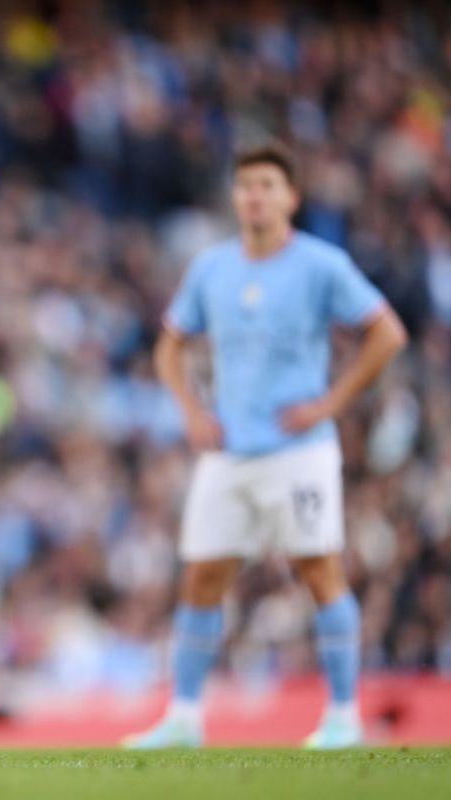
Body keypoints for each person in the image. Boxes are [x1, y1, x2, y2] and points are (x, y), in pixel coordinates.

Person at [125, 145, 408, 749]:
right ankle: (184, 718)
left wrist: (331, 403)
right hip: (229, 450)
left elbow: (386, 332)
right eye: (246, 185)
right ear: (235, 197)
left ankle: (342, 716)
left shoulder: (320, 264)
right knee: (202, 576)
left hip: (299, 448)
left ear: (291, 197)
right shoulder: (212, 268)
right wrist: (192, 412)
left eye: (267, 185)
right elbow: (170, 345)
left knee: (318, 567)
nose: (255, 195)